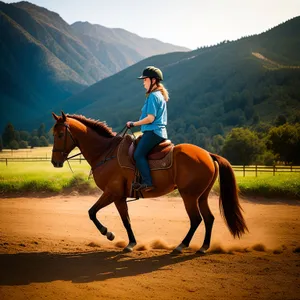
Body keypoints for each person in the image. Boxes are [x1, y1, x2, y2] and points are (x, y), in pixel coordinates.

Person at [126, 66, 169, 192]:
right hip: (158, 131)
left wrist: (133, 124)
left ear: (153, 81)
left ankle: (147, 183)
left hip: (153, 132)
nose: (143, 82)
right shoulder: (158, 95)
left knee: (138, 154)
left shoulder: (152, 97)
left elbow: (150, 118)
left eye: (145, 80)